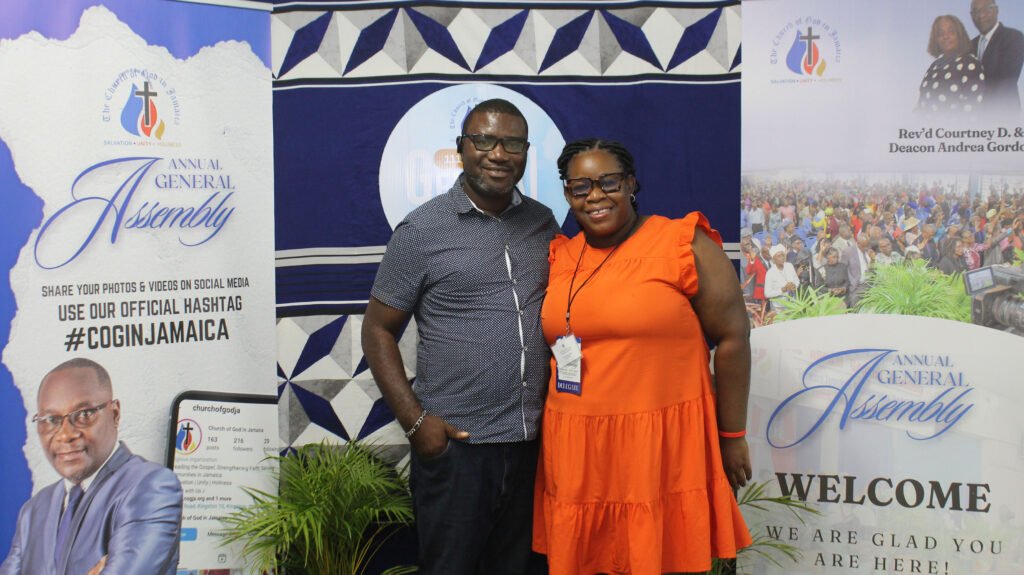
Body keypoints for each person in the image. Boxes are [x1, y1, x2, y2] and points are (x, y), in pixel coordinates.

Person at [532, 138, 752, 575]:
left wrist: (732, 435)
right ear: (567, 194)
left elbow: (733, 339)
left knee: (658, 560)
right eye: (580, 187)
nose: (595, 196)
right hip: (576, 446)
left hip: (659, 445)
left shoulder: (681, 243)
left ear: (631, 184)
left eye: (608, 182)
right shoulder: (560, 254)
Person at [361, 99, 560, 575]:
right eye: (484, 140)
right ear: (461, 149)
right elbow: (378, 330)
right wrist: (416, 423)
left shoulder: (542, 222)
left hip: (535, 443)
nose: (498, 153)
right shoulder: (422, 231)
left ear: (525, 152)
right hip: (458, 449)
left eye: (512, 143)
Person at [2, 358, 182, 575]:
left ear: (115, 413)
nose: (66, 434)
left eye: (84, 415)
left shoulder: (152, 487)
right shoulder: (33, 511)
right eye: (50, 419)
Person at [918, 15, 985, 115]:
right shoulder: (934, 66)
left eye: (951, 31)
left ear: (960, 35)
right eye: (940, 33)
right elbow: (921, 105)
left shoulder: (970, 65)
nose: (945, 36)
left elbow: (971, 112)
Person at [970, 0, 1024, 112]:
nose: (981, 15)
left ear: (996, 10)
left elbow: (1007, 79)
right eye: (975, 11)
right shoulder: (970, 46)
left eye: (986, 9)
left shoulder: (1013, 37)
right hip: (974, 118)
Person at [765, 244, 800, 309]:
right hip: (779, 306)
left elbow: (797, 280)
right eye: (779, 256)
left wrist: (794, 285)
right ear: (773, 259)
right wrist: (783, 290)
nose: (782, 258)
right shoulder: (770, 273)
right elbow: (767, 294)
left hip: (793, 301)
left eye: (783, 255)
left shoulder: (789, 266)